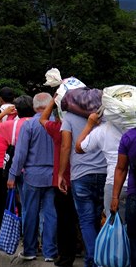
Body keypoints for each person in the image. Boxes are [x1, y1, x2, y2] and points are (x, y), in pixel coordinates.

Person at [6, 93, 57, 262]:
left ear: (35, 107)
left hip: (32, 176)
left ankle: (30, 250)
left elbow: (20, 154)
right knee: (50, 214)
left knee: (30, 213)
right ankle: (50, 252)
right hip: (53, 176)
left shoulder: (29, 125)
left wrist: (12, 175)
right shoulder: (57, 124)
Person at [58, 110, 107, 267]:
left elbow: (66, 146)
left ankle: (92, 259)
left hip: (80, 174)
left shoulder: (69, 117)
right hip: (104, 172)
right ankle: (101, 258)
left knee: (86, 219)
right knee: (99, 217)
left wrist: (61, 174)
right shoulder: (104, 116)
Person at [39, 96, 77, 267]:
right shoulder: (83, 128)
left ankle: (65, 256)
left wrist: (53, 101)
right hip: (80, 178)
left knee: (64, 220)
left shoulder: (58, 128)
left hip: (61, 181)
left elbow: (42, 119)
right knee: (85, 219)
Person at [76, 112, 127, 219]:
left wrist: (90, 124)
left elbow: (79, 148)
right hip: (131, 182)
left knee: (113, 225)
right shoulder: (132, 129)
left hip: (113, 183)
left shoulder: (103, 130)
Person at [110, 127, 136, 267]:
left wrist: (115, 197)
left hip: (134, 198)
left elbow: (121, 168)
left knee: (134, 240)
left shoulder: (129, 137)